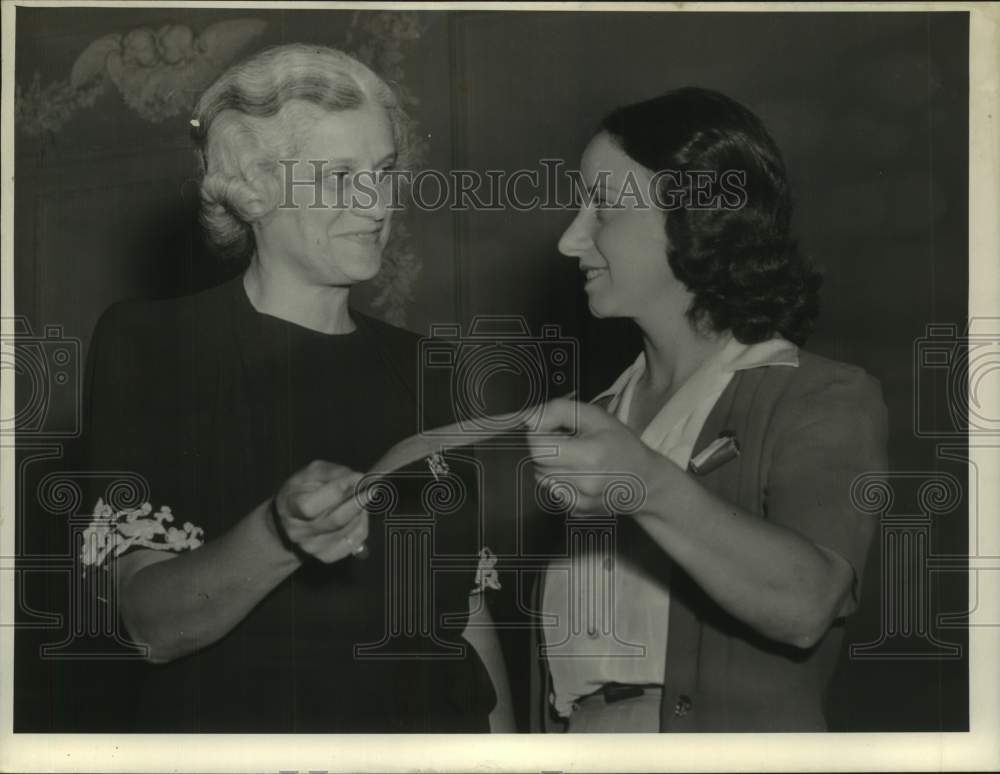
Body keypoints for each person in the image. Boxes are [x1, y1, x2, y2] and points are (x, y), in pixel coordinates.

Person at [81, 43, 511, 732]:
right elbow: (148, 624)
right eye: (340, 177)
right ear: (254, 185)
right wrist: (279, 534)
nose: (377, 204)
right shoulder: (156, 345)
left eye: (383, 172)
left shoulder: (433, 369)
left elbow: (467, 620)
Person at [527, 87, 888, 732]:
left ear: (695, 214)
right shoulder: (597, 416)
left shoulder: (818, 397)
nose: (570, 239)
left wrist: (644, 482)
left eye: (603, 207)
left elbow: (807, 603)